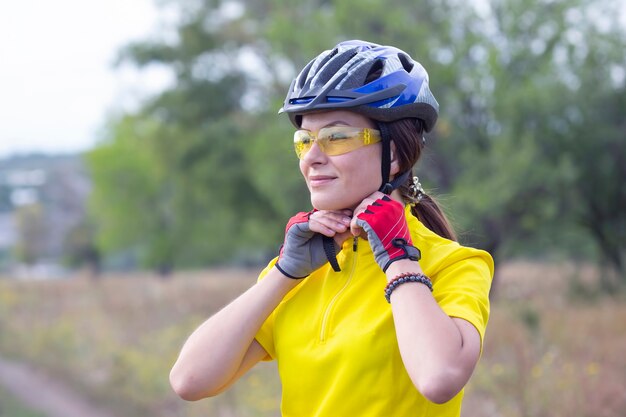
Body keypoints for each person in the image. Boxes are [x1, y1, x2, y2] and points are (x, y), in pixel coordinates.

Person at [169, 40, 494, 417]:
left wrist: (400, 259)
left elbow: (439, 378)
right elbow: (189, 381)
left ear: (397, 155)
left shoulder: (454, 265)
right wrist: (283, 273)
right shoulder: (304, 269)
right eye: (304, 140)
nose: (312, 158)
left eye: (336, 137)